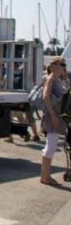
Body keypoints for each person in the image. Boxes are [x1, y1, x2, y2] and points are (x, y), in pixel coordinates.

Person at [40, 56, 67, 186]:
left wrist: (65, 77)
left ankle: (45, 176)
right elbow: (45, 97)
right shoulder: (51, 79)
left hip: (54, 116)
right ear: (54, 66)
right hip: (52, 117)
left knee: (51, 145)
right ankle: (46, 177)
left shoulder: (58, 79)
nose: (64, 67)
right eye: (62, 64)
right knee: (51, 146)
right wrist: (53, 116)